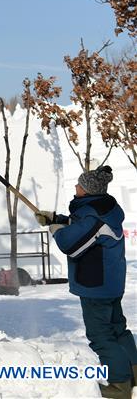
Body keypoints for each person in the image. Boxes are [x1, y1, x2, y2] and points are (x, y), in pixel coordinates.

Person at [36, 166, 136, 399]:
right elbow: (81, 226)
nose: (76, 188)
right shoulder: (105, 207)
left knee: (101, 336)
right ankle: (134, 374)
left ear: (89, 190)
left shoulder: (93, 216)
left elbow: (71, 244)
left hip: (96, 285)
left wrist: (56, 229)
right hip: (110, 281)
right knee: (118, 329)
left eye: (79, 185)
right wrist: (57, 218)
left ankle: (120, 385)